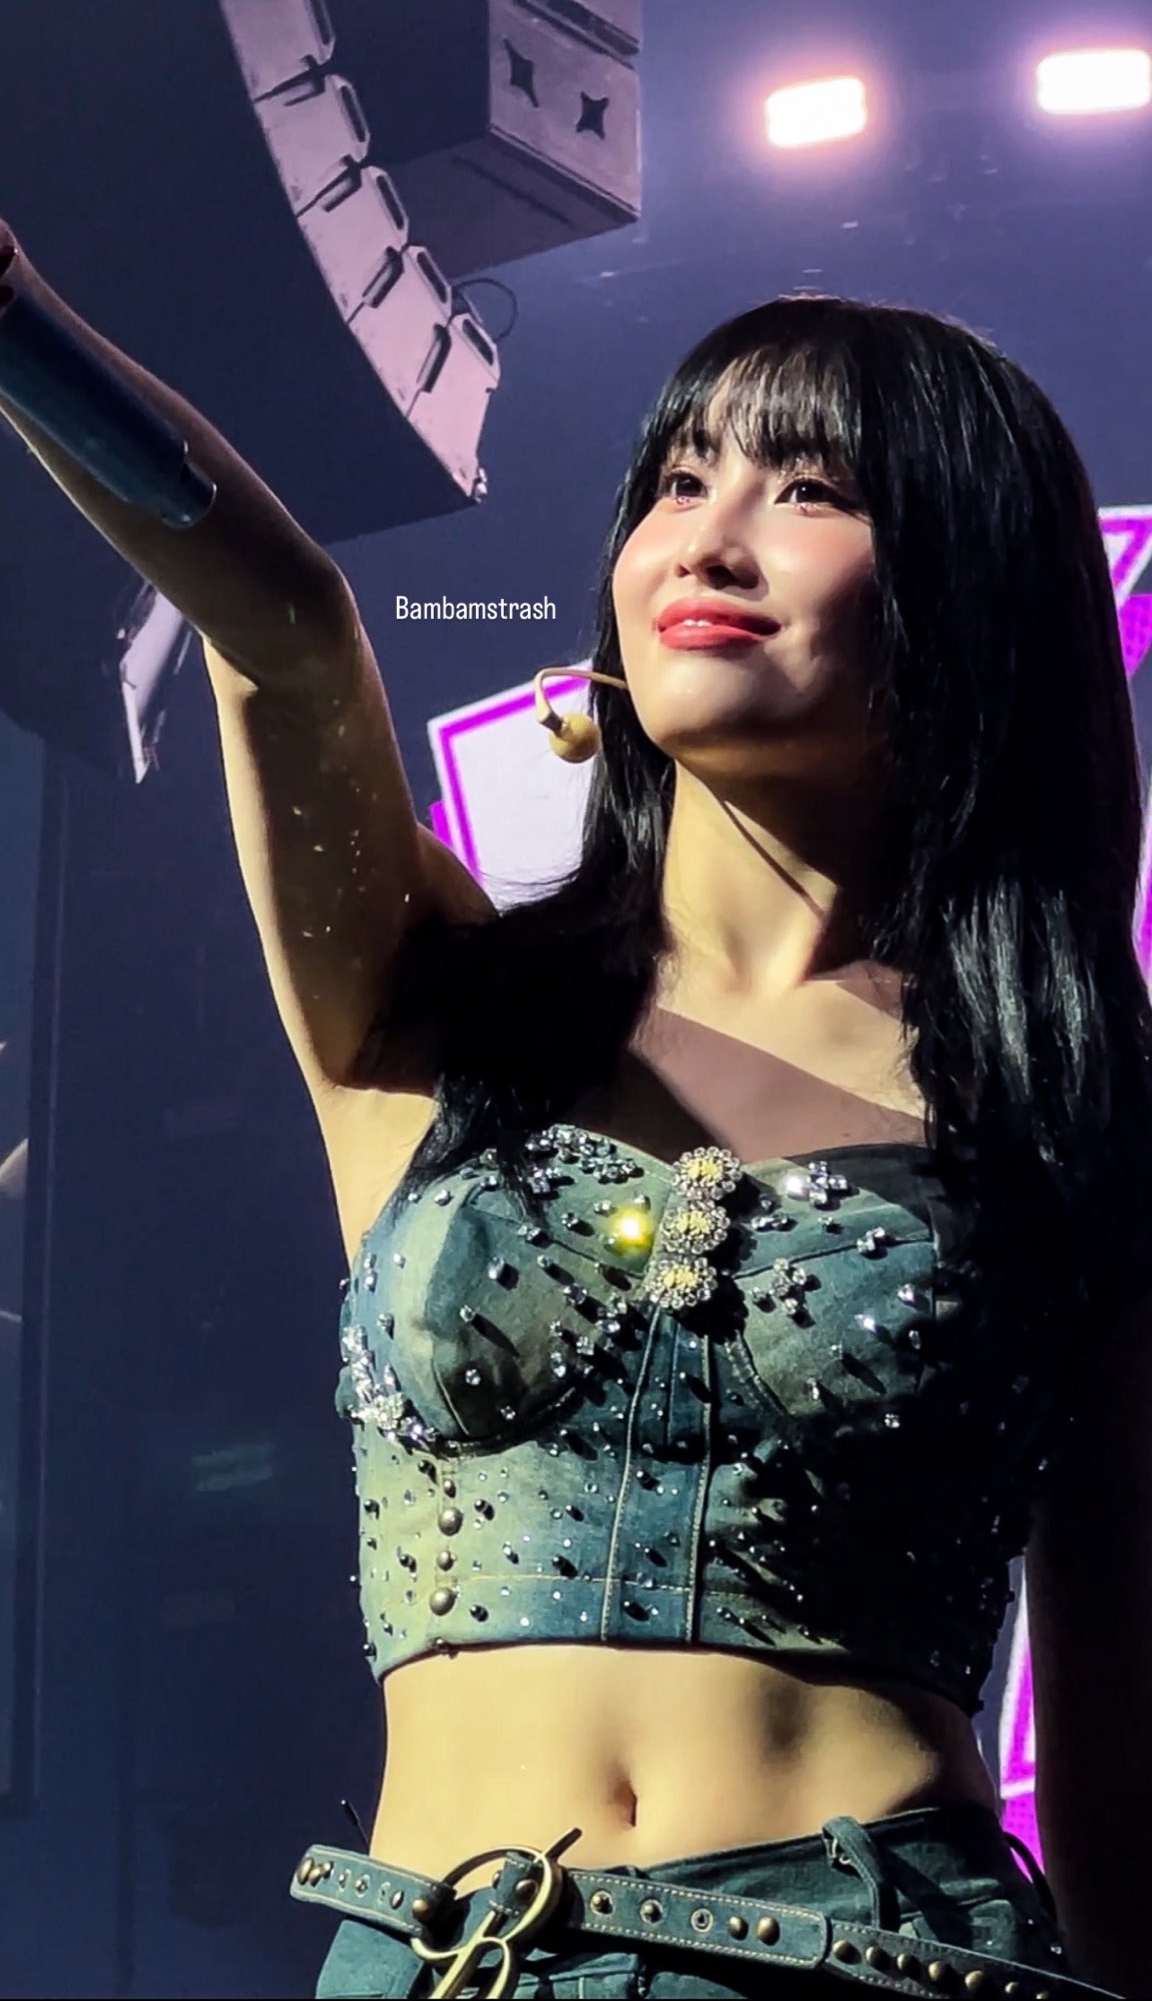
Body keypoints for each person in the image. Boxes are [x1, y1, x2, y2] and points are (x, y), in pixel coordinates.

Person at [1, 221, 1149, 2001]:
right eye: (682, 480)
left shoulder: (1070, 1107)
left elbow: (1126, 1765)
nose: (710, 536)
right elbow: (285, 630)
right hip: (425, 1957)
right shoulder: (434, 1004)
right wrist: (20, 321)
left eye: (811, 489)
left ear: (973, 590)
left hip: (866, 1966)